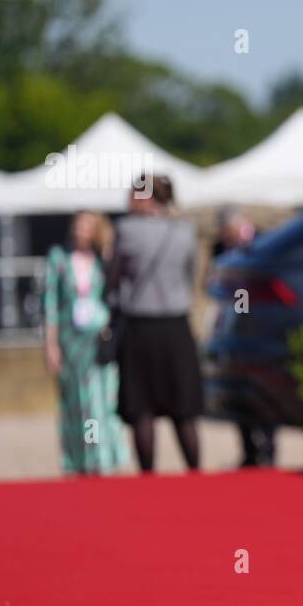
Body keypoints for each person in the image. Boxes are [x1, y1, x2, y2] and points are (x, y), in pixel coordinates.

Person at [106, 174, 204, 473]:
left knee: (141, 408)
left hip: (140, 327)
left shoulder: (126, 230)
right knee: (183, 409)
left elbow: (112, 279)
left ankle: (148, 476)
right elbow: (192, 276)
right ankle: (194, 472)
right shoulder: (185, 232)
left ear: (144, 197)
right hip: (176, 326)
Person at [43, 211, 132, 475]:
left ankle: (102, 457)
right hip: (72, 340)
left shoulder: (102, 259)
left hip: (99, 339)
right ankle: (79, 459)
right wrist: (51, 345)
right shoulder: (58, 259)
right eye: (77, 226)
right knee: (77, 403)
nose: (80, 231)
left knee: (101, 401)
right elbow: (50, 305)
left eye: (86, 226)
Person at [210, 207, 274, 466]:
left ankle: (268, 446)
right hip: (232, 325)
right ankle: (248, 448)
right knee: (237, 386)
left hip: (259, 323)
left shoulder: (264, 241)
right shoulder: (219, 247)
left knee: (263, 385)